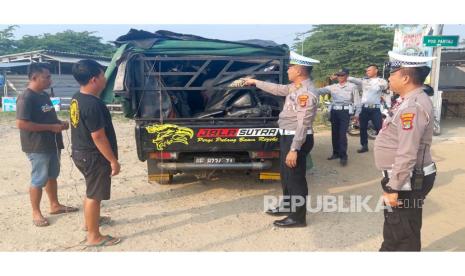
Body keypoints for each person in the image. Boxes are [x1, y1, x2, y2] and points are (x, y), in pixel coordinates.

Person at [243, 51, 318, 228]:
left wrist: (294, 149)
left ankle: (298, 217)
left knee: (295, 178)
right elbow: (278, 89)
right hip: (287, 136)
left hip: (296, 139)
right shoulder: (296, 87)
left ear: (299, 70)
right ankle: (287, 205)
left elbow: (303, 123)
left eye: (291, 67)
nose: (288, 70)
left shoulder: (306, 92)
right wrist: (255, 82)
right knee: (286, 175)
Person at [374, 51, 437, 251]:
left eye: (392, 74)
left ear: (406, 77)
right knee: (399, 228)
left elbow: (407, 152)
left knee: (402, 234)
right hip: (404, 178)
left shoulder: (413, 106)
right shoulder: (409, 100)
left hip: (406, 180)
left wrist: (394, 187)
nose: (389, 78)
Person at [16, 62, 78, 227]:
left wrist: (59, 123)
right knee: (39, 179)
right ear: (35, 77)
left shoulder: (43, 95)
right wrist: (51, 127)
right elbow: (22, 124)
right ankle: (36, 212)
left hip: (52, 143)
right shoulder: (26, 97)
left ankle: (54, 205)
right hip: (37, 146)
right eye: (47, 77)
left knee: (52, 175)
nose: (50, 80)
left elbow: (47, 117)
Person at [70, 59, 121, 247]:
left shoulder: (77, 97)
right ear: (94, 79)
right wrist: (113, 161)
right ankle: (94, 237)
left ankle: (90, 222)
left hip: (80, 152)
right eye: (102, 74)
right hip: (93, 155)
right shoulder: (93, 104)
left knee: (91, 190)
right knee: (95, 195)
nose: (104, 78)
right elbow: (98, 136)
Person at [318, 68, 360, 166]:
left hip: (345, 112)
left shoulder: (352, 87)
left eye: (342, 75)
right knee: (335, 133)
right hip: (334, 111)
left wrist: (357, 114)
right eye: (338, 75)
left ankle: (343, 156)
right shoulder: (333, 87)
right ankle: (336, 153)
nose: (340, 77)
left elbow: (357, 101)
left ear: (347, 76)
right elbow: (320, 91)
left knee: (342, 135)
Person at [348, 64, 389, 153]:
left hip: (375, 109)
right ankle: (364, 146)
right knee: (362, 128)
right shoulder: (364, 81)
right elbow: (353, 79)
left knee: (379, 128)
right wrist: (344, 75)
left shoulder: (381, 81)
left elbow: (385, 86)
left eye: (369, 70)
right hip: (364, 109)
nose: (367, 72)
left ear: (376, 70)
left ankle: (383, 146)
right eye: (366, 71)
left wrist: (377, 85)